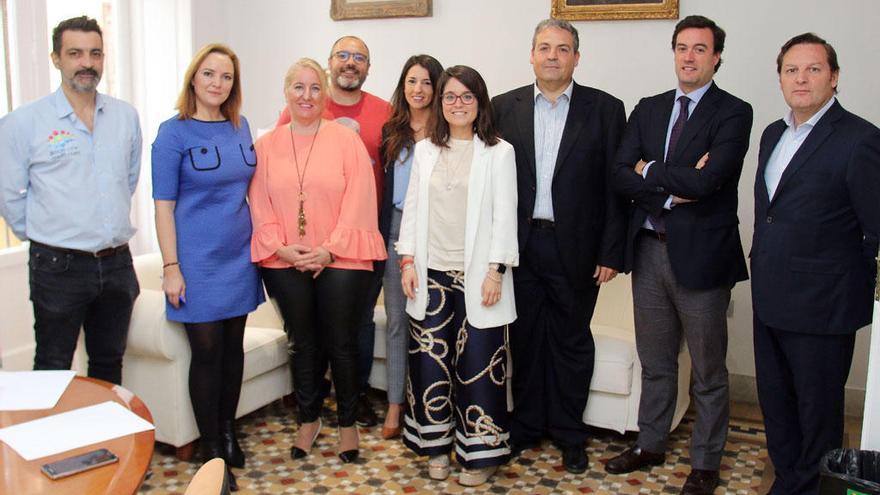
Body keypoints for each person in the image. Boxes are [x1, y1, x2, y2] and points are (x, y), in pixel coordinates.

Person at [606, 16, 753, 495]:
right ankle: (650, 444)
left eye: (700, 49)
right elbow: (619, 174)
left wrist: (651, 170)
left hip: (703, 259)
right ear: (673, 52)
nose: (689, 57)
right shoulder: (648, 109)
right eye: (682, 47)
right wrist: (670, 187)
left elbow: (711, 181)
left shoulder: (734, 112)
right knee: (656, 361)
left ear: (716, 58)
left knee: (709, 370)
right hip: (649, 250)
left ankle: (706, 463)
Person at [491, 18, 626, 474]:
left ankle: (571, 433)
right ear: (531, 54)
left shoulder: (606, 110)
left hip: (578, 249)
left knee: (571, 343)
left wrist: (611, 251)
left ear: (576, 57)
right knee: (524, 340)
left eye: (563, 48)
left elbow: (615, 188)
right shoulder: (501, 107)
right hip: (520, 246)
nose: (553, 55)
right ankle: (526, 426)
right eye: (544, 47)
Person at [751, 33, 880, 495]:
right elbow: (771, 213)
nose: (800, 79)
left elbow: (875, 229)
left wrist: (850, 289)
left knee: (818, 413)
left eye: (813, 69)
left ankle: (813, 489)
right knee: (778, 407)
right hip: (769, 299)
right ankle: (788, 482)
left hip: (823, 306)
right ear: (781, 78)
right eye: (791, 70)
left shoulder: (861, 139)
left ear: (835, 77)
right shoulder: (772, 134)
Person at [248, 58, 386, 464]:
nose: (306, 96)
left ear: (324, 95)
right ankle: (309, 420)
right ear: (285, 92)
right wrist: (281, 246)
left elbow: (361, 198)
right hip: (284, 256)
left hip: (340, 256)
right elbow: (259, 202)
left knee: (341, 343)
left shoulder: (346, 141)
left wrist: (329, 248)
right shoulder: (266, 146)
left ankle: (346, 423)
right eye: (298, 88)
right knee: (302, 343)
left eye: (314, 88)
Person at [0, 16, 141, 385]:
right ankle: (54, 444)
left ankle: (105, 442)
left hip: (116, 264)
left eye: (95, 53)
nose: (87, 63)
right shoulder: (23, 123)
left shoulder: (125, 116)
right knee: (53, 365)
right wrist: (47, 235)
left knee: (109, 364)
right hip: (57, 266)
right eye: (75, 53)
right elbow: (10, 195)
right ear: (56, 58)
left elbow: (127, 178)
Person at [397, 64, 518, 487]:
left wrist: (496, 271)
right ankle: (435, 449)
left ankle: (480, 456)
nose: (458, 104)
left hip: (479, 279)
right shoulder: (427, 149)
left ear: (480, 102)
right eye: (450, 96)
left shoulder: (499, 151)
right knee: (430, 366)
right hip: (431, 275)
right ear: (440, 102)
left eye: (467, 96)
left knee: (480, 368)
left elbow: (505, 217)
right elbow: (412, 209)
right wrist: (407, 261)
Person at [152, 43, 264, 490]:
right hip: (196, 262)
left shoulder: (241, 127)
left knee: (232, 351)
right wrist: (171, 266)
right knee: (208, 353)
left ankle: (228, 432)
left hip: (239, 255)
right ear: (193, 78)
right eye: (209, 74)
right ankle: (212, 452)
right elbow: (163, 208)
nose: (218, 83)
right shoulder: (172, 133)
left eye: (226, 77)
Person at [276, 36, 391, 427]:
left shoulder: (385, 112)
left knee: (355, 322)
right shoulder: (300, 110)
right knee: (309, 324)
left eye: (359, 57)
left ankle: (354, 398)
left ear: (368, 68)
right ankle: (315, 398)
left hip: (361, 235)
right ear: (329, 64)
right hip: (306, 241)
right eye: (343, 55)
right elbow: (279, 169)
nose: (350, 62)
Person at [377, 54, 443, 440]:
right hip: (396, 232)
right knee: (398, 321)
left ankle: (429, 406)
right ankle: (394, 405)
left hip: (436, 234)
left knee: (433, 322)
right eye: (411, 82)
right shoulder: (391, 130)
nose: (418, 90)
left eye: (426, 83)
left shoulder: (448, 130)